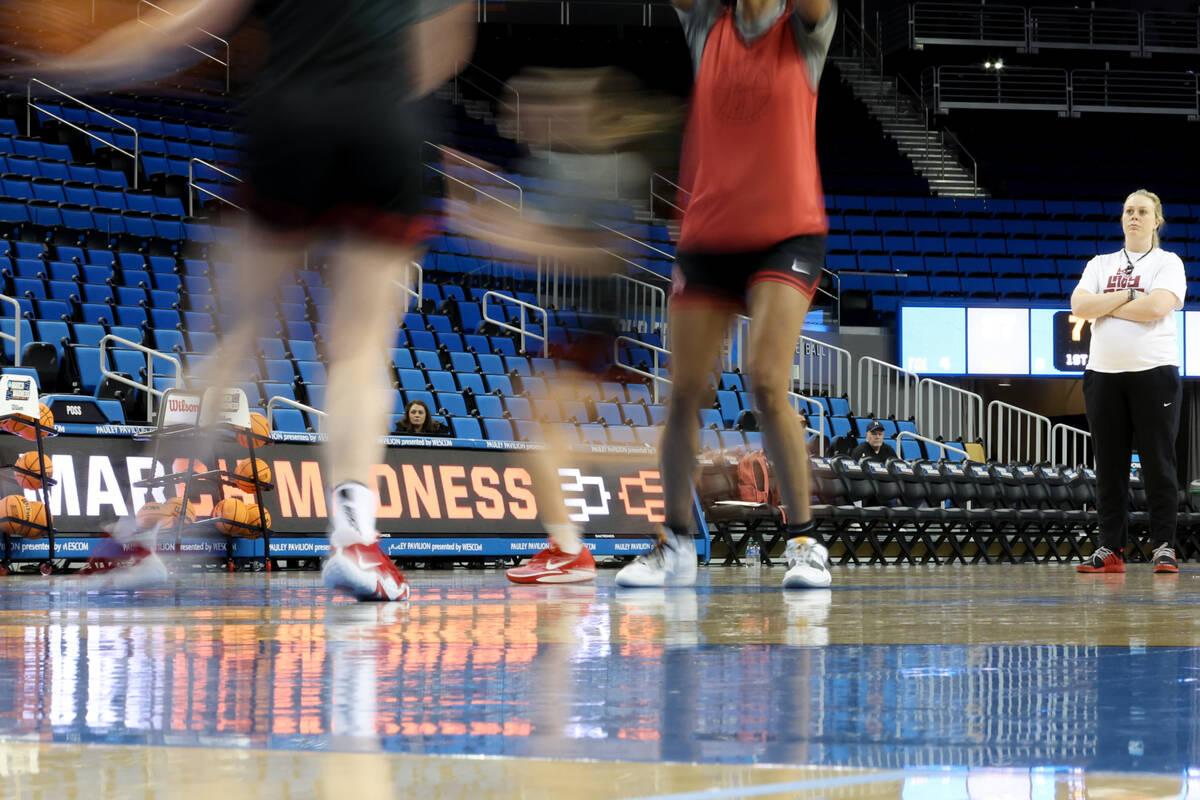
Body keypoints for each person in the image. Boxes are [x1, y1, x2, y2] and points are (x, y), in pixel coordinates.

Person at [38, 0, 476, 599]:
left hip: (289, 118)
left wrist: (70, 69)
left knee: (234, 338)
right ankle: (354, 540)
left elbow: (182, 26)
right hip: (383, 121)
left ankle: (135, 535)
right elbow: (443, 51)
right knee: (360, 351)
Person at [614, 0, 836, 590]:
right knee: (683, 392)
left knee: (766, 380)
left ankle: (806, 542)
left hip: (787, 231)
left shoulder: (805, 26)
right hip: (709, 234)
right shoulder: (706, 23)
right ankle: (677, 544)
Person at [1071, 189, 1186, 575]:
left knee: (1158, 463)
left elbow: (1157, 308)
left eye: (1142, 212)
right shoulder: (1100, 263)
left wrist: (1108, 303)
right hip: (1103, 374)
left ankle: (1164, 547)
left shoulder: (1168, 263)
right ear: (1122, 219)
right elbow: (1080, 306)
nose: (1134, 217)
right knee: (1110, 466)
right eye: (1128, 211)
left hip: (1155, 372)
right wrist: (1129, 293)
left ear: (1156, 221)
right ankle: (1110, 549)